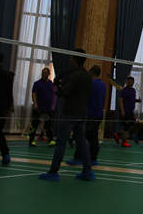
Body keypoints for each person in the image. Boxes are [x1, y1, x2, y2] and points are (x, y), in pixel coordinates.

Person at [39, 52, 94, 182]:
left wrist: (58, 88)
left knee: (61, 142)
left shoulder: (73, 75)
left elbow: (65, 92)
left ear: (74, 60)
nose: (70, 60)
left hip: (70, 112)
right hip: (82, 113)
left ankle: (53, 171)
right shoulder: (88, 75)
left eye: (71, 58)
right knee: (81, 141)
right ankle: (88, 171)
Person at [65, 65, 106, 167]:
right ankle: (93, 159)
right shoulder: (103, 84)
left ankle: (78, 158)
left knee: (81, 136)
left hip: (90, 114)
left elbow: (84, 96)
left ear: (91, 73)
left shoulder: (91, 84)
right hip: (99, 114)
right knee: (93, 137)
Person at [0, 52, 14, 165]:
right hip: (0, 108)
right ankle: (5, 154)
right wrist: (7, 108)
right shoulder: (7, 76)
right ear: (3, 61)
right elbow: (9, 94)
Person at [29, 67, 56, 147]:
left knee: (48, 126)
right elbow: (34, 94)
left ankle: (51, 140)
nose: (43, 74)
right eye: (42, 73)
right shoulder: (37, 83)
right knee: (34, 125)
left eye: (45, 73)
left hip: (47, 108)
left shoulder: (50, 83)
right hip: (38, 108)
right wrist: (35, 103)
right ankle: (31, 141)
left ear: (49, 74)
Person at [115, 76, 141, 147]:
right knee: (127, 126)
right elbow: (120, 100)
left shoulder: (133, 90)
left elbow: (132, 99)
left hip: (131, 111)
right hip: (125, 111)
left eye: (131, 82)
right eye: (129, 82)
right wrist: (122, 110)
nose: (130, 83)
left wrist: (137, 100)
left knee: (132, 125)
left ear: (133, 83)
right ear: (127, 82)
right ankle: (124, 141)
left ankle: (118, 134)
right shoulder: (123, 90)